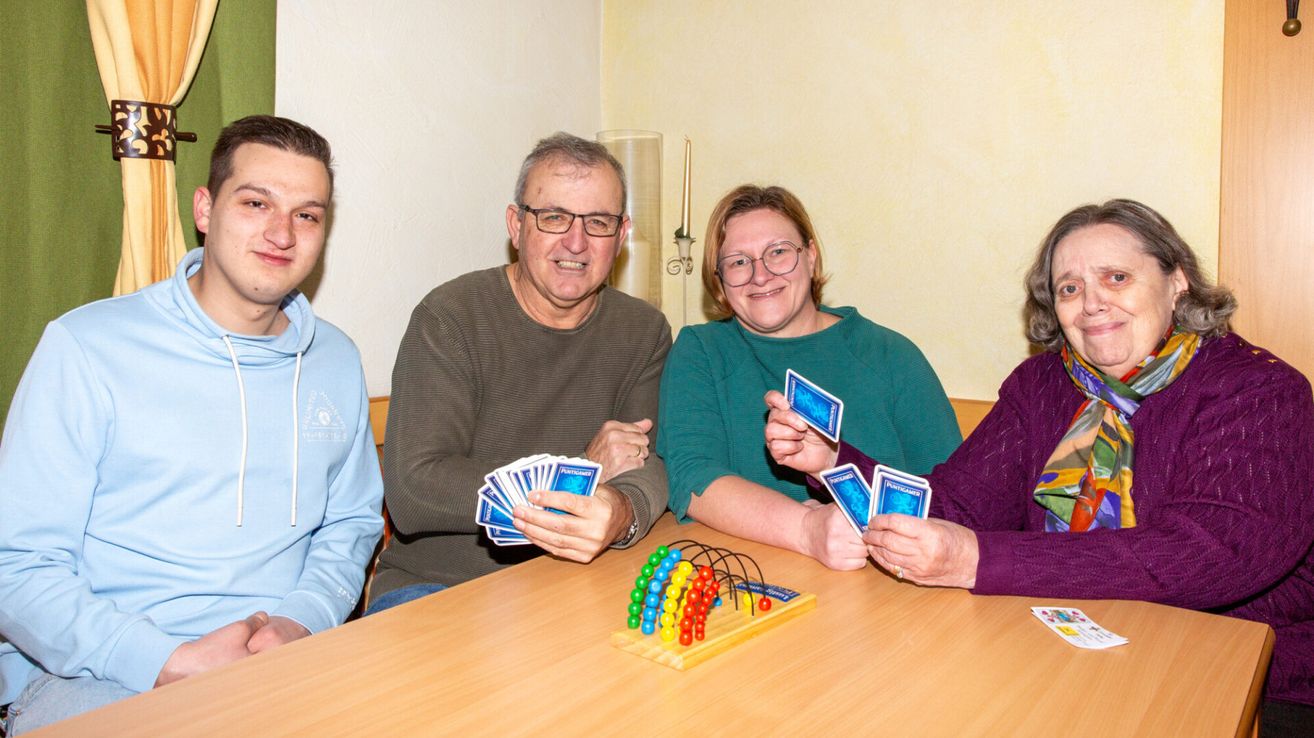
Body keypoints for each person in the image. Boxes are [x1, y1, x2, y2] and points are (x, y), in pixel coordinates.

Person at [765, 199, 1314, 721]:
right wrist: (832, 459)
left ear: (1177, 281)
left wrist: (977, 560)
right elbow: (958, 503)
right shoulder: (1044, 384)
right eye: (1069, 288)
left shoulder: (1260, 391)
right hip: (1058, 649)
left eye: (1116, 278)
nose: (1092, 302)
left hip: (1249, 678)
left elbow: (1209, 554)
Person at [0, 116, 385, 734]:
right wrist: (166, 661)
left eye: (307, 215)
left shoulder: (334, 359)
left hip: (287, 661)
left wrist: (303, 619)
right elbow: (15, 565)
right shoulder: (86, 346)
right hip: (102, 673)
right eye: (256, 202)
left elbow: (351, 522)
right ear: (205, 209)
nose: (282, 232)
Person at [371, 132, 671, 609]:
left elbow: (646, 462)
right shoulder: (450, 317)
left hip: (580, 586)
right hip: (442, 587)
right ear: (516, 225)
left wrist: (619, 511)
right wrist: (581, 472)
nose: (576, 241)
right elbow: (414, 492)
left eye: (598, 221)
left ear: (621, 234)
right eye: (553, 217)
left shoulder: (643, 329)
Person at [657, 185, 960, 570]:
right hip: (751, 579)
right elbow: (692, 479)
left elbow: (955, 493)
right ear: (718, 281)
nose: (760, 275)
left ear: (811, 257)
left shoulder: (891, 356)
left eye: (778, 252)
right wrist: (807, 530)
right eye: (737, 262)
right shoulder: (701, 350)